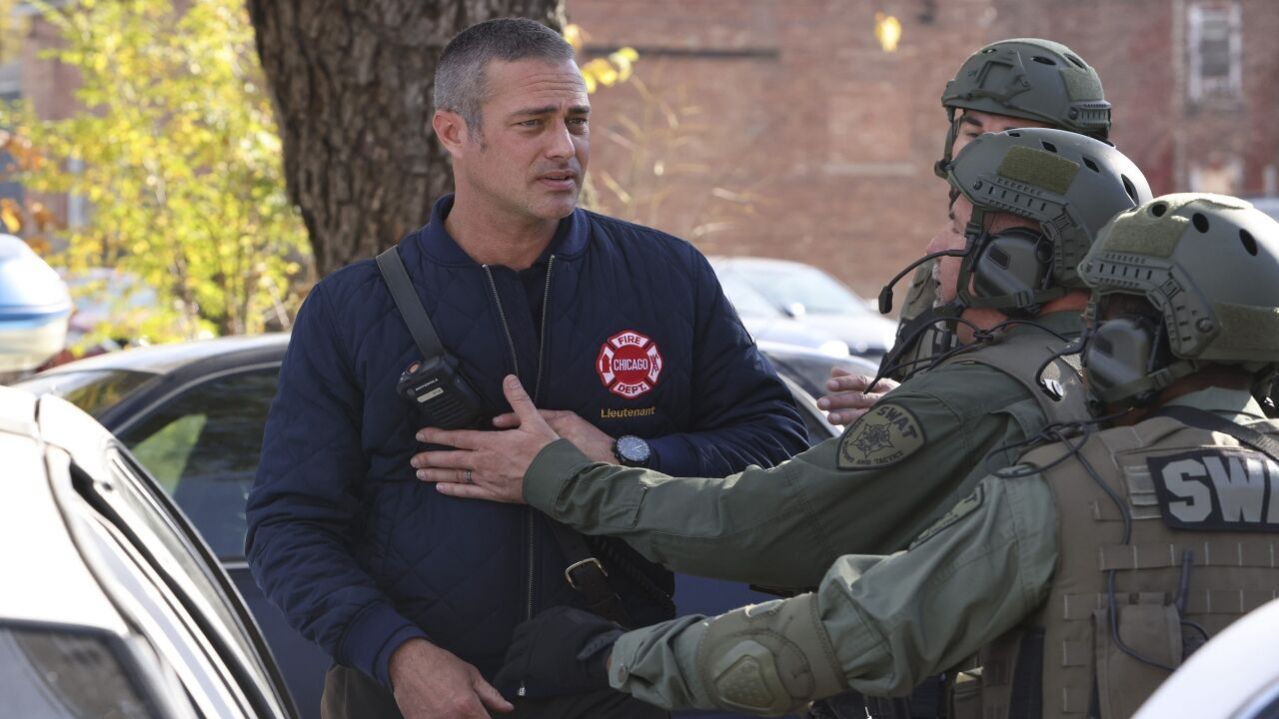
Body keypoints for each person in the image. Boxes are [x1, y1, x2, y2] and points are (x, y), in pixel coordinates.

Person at [413, 127, 1150, 716]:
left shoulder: (973, 395)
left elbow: (767, 526)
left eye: (955, 228)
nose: (933, 247)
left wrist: (559, 476)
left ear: (1013, 262)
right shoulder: (1102, 371)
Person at [244, 17, 809, 719]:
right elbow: (287, 525)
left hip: (618, 684)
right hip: (415, 699)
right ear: (453, 132)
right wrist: (396, 653)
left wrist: (624, 455)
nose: (564, 147)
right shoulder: (351, 308)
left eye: (577, 121)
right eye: (532, 123)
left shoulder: (666, 277)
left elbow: (781, 446)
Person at [822, 38, 1113, 425]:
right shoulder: (943, 261)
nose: (980, 154)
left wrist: (933, 417)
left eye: (1012, 138)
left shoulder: (1113, 271)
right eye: (973, 135)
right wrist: (905, 405)